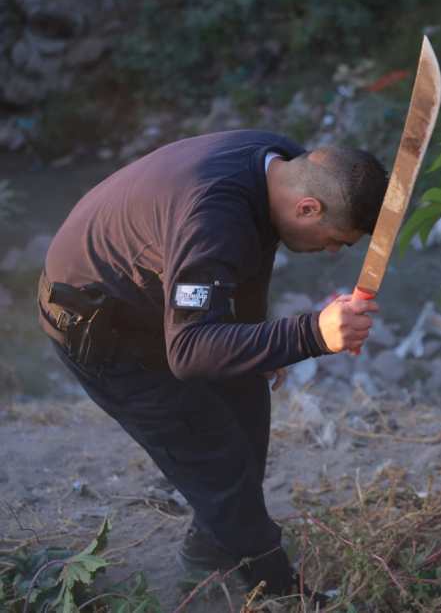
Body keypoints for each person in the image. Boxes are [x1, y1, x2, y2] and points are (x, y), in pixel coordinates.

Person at [37, 129, 387, 597]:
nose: (331, 252)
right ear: (307, 208)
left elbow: (247, 254)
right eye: (336, 240)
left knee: (248, 410)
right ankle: (281, 592)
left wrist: (257, 337)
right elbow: (188, 351)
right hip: (98, 322)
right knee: (218, 461)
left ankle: (210, 546)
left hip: (155, 298)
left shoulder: (278, 161)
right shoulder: (213, 217)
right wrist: (310, 334)